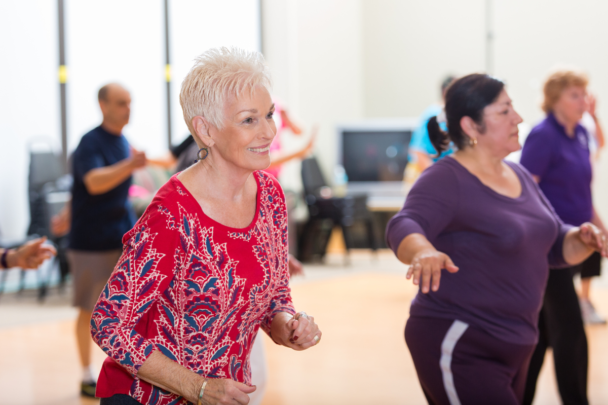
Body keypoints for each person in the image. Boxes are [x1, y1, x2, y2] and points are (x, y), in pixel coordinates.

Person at [91, 47, 322, 405]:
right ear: (205, 130)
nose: (268, 131)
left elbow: (275, 297)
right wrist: (195, 385)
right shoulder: (171, 213)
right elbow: (109, 323)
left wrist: (290, 324)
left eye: (269, 115)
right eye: (249, 120)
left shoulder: (271, 197)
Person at [385, 73, 607, 405]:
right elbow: (404, 224)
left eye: (513, 108)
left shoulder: (517, 175)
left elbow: (555, 243)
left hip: (516, 346)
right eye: (504, 111)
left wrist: (581, 238)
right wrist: (423, 250)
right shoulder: (447, 177)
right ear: (471, 127)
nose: (517, 117)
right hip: (462, 342)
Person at [521, 69, 607, 405]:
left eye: (584, 94)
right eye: (574, 95)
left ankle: (519, 397)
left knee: (543, 332)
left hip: (580, 241)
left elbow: (582, 192)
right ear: (554, 100)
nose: (582, 101)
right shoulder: (543, 136)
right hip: (549, 246)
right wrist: (551, 231)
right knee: (570, 329)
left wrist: (601, 228)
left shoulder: (580, 135)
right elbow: (526, 190)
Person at [69, 83, 147, 397]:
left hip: (120, 237)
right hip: (91, 240)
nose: (127, 108)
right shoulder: (90, 142)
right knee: (89, 308)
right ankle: (86, 374)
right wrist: (130, 164)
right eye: (120, 103)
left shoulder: (123, 141)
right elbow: (92, 181)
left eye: (129, 102)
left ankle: (120, 371)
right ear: (103, 105)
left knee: (124, 310)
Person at [409, 75, 456, 172]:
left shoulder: (453, 116)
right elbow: (419, 152)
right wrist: (436, 179)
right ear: (445, 92)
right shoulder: (434, 115)